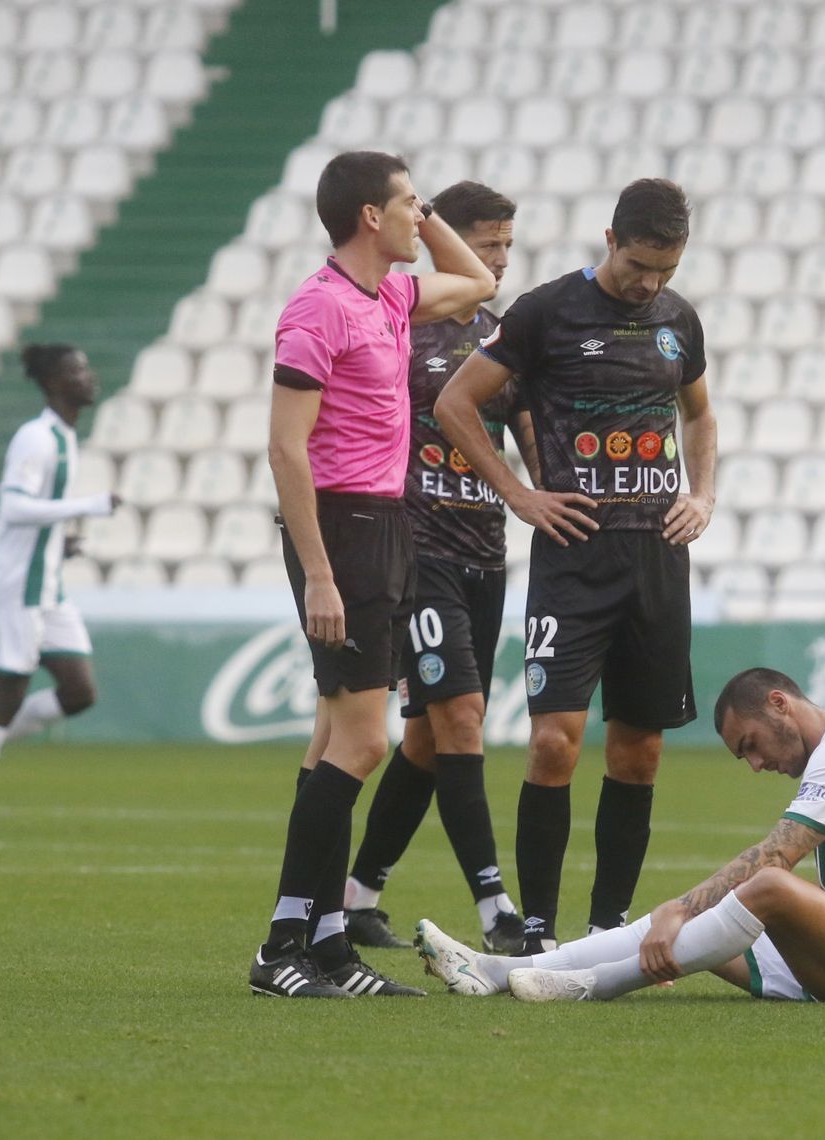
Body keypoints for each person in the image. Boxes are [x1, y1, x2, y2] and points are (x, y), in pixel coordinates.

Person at [436, 178, 718, 953]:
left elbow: (699, 413)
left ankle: (606, 930)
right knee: (554, 741)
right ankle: (535, 928)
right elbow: (456, 404)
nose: (650, 283)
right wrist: (519, 495)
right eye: (638, 265)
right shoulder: (546, 313)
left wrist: (704, 494)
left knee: (640, 750)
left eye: (666, 268)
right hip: (574, 560)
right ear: (608, 239)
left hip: (657, 561)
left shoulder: (677, 319)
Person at [248, 150, 497, 999]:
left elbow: (477, 285)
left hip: (386, 524)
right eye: (407, 205)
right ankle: (283, 945)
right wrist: (317, 571)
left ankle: (322, 944)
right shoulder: (316, 309)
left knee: (332, 740)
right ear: (369, 217)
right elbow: (286, 447)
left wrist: (425, 218)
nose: (419, 217)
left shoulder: (388, 294)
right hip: (343, 531)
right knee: (361, 742)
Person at [415, 667, 825, 1003]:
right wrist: (678, 913)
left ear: (779, 704)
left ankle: (593, 986)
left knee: (766, 887)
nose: (756, 764)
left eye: (751, 744)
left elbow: (777, 855)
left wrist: (683, 906)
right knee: (678, 930)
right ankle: (497, 968)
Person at [343, 180, 538, 955]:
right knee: (459, 721)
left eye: (507, 247)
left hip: (484, 554)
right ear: (444, 242)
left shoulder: (503, 339)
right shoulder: (399, 320)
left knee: (428, 738)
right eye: (487, 244)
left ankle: (358, 896)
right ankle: (496, 910)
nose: (498, 260)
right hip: (417, 554)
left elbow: (530, 434)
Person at [0, 345, 120, 833]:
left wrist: (61, 544)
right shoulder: (34, 439)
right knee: (9, 694)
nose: (88, 376)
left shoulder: (64, 437)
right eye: (76, 370)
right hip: (13, 590)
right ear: (53, 382)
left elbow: (36, 517)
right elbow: (14, 507)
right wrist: (89, 505)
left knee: (79, 692)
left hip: (47, 587)